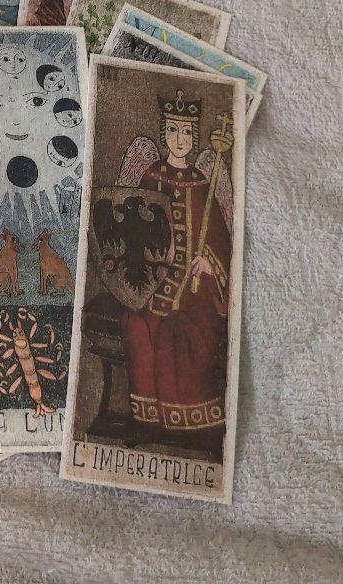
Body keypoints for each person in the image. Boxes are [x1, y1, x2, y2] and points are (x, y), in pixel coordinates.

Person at [116, 91, 233, 456]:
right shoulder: (150, 176)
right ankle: (149, 420)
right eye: (172, 131)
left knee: (182, 330)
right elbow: (130, 225)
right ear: (164, 133)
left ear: (193, 139)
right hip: (154, 280)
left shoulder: (202, 182)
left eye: (185, 133)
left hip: (194, 285)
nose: (178, 140)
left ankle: (193, 425)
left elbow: (220, 239)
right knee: (139, 325)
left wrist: (209, 262)